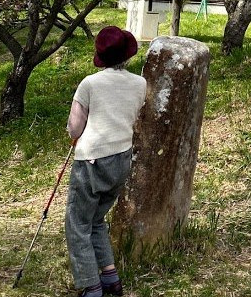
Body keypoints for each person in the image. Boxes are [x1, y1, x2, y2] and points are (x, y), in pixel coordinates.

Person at [65, 25, 147, 297]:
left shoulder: (90, 83)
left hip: (91, 161)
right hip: (122, 158)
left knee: (77, 224)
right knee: (97, 219)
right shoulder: (140, 83)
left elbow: (75, 128)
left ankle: (91, 286)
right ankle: (110, 277)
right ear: (127, 54)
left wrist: (75, 132)